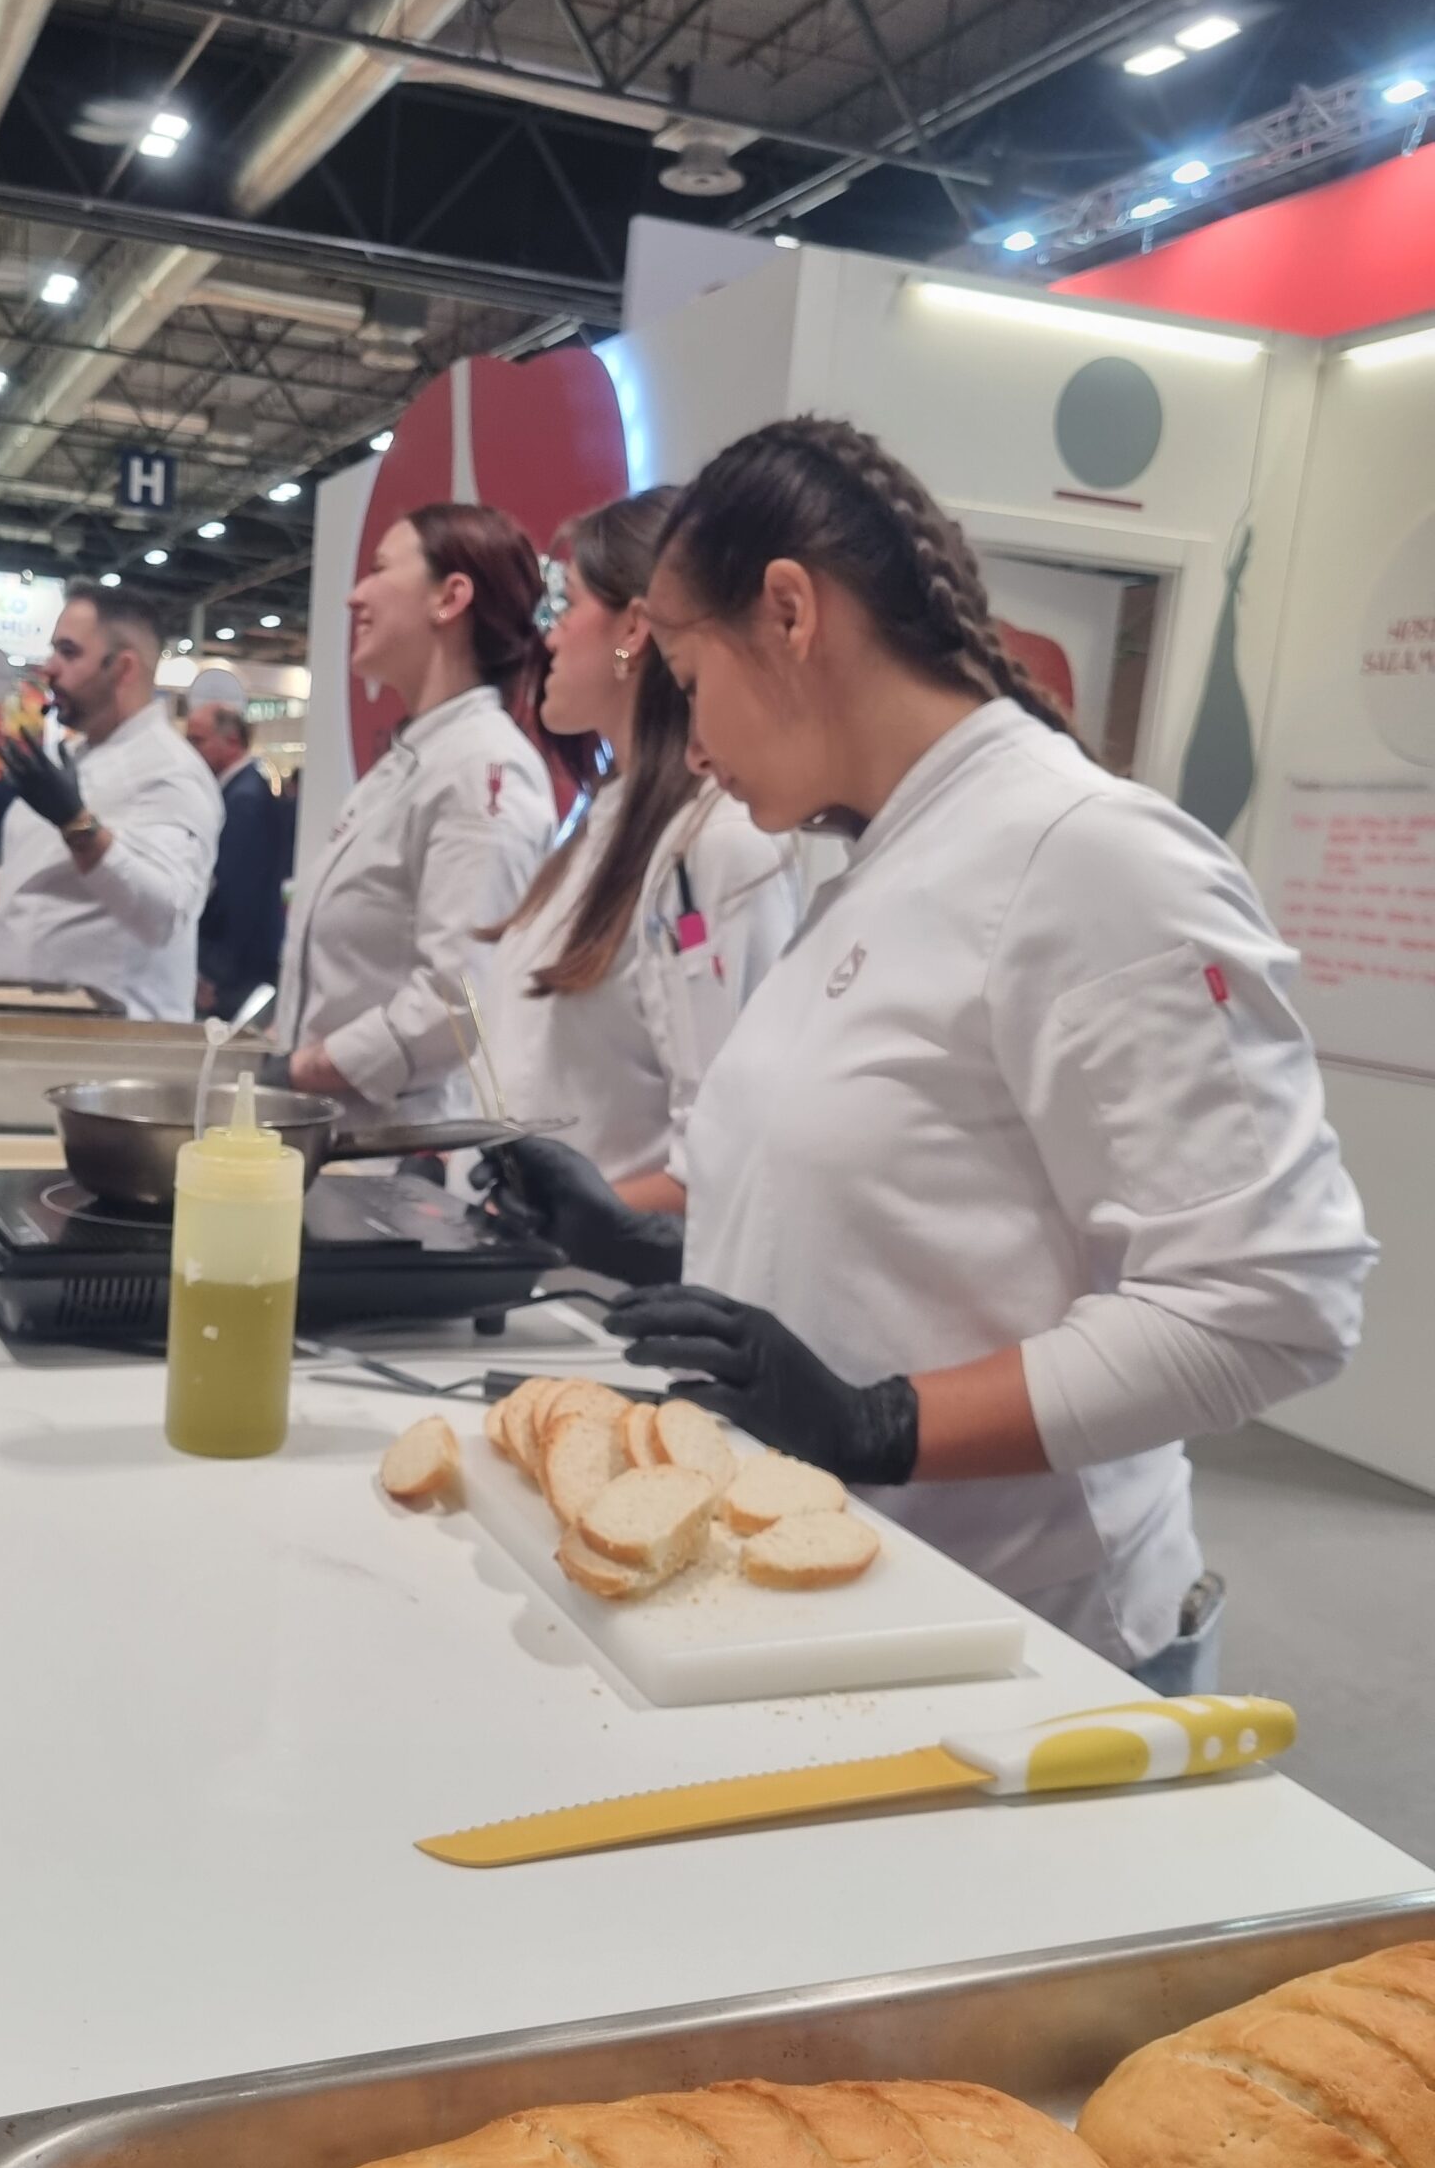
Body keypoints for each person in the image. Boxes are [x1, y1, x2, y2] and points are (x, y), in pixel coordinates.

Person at [490, 415, 1372, 1690]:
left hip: (1035, 1639)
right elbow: (918, 1209)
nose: (687, 735)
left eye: (686, 677)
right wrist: (651, 1242)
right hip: (862, 1598)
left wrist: (880, 1421)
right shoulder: (884, 860)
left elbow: (1274, 1304)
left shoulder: (1089, 855)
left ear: (790, 613)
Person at [485, 488, 799, 1209]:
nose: (550, 638)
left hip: (614, 1297)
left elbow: (725, 1154)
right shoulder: (600, 822)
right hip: (539, 1283)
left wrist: (572, 1215)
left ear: (634, 626)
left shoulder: (718, 844)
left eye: (563, 607)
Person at [274, 503, 556, 1117]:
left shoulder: (484, 768)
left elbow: (457, 1003)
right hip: (333, 1136)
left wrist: (299, 1070)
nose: (355, 596)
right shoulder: (412, 761)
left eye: (378, 569)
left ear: (450, 598)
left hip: (395, 1158)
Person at [0, 582, 222, 1018]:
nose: (49, 667)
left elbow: (163, 914)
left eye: (69, 653)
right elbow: (51, 876)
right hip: (41, 1033)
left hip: (114, 1048)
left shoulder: (171, 772)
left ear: (123, 668)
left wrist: (76, 823)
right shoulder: (80, 754)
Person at [186, 675, 290, 1020]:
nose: (190, 752)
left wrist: (213, 973)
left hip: (234, 975)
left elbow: (240, 896)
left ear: (231, 741)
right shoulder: (237, 793)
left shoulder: (245, 800)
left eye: (197, 741)